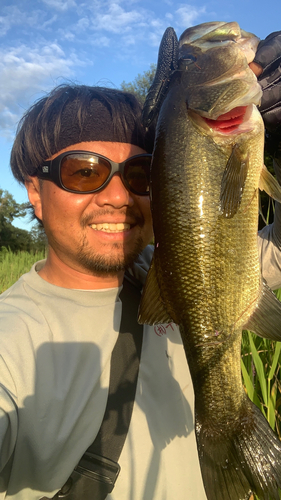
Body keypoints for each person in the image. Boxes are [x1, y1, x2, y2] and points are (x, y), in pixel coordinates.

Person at [0, 31, 281, 500]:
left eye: (138, 174)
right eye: (84, 171)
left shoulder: (176, 266)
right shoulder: (11, 346)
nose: (117, 196)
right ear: (34, 190)